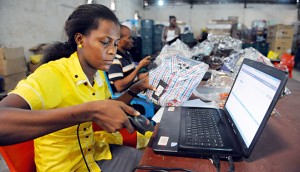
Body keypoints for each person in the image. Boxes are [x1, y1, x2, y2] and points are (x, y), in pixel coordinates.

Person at [0, 4, 155, 172]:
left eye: (116, 44)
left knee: (153, 160)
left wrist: (135, 89)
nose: (112, 51)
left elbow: (108, 108)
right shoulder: (53, 74)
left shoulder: (97, 75)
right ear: (80, 39)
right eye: (105, 42)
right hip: (65, 167)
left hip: (94, 156)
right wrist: (88, 112)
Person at [108, 25, 151, 93]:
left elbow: (132, 77)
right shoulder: (114, 59)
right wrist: (139, 67)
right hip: (126, 96)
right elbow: (119, 87)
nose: (132, 41)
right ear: (118, 41)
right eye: (129, 38)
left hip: (134, 89)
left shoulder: (127, 54)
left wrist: (151, 74)